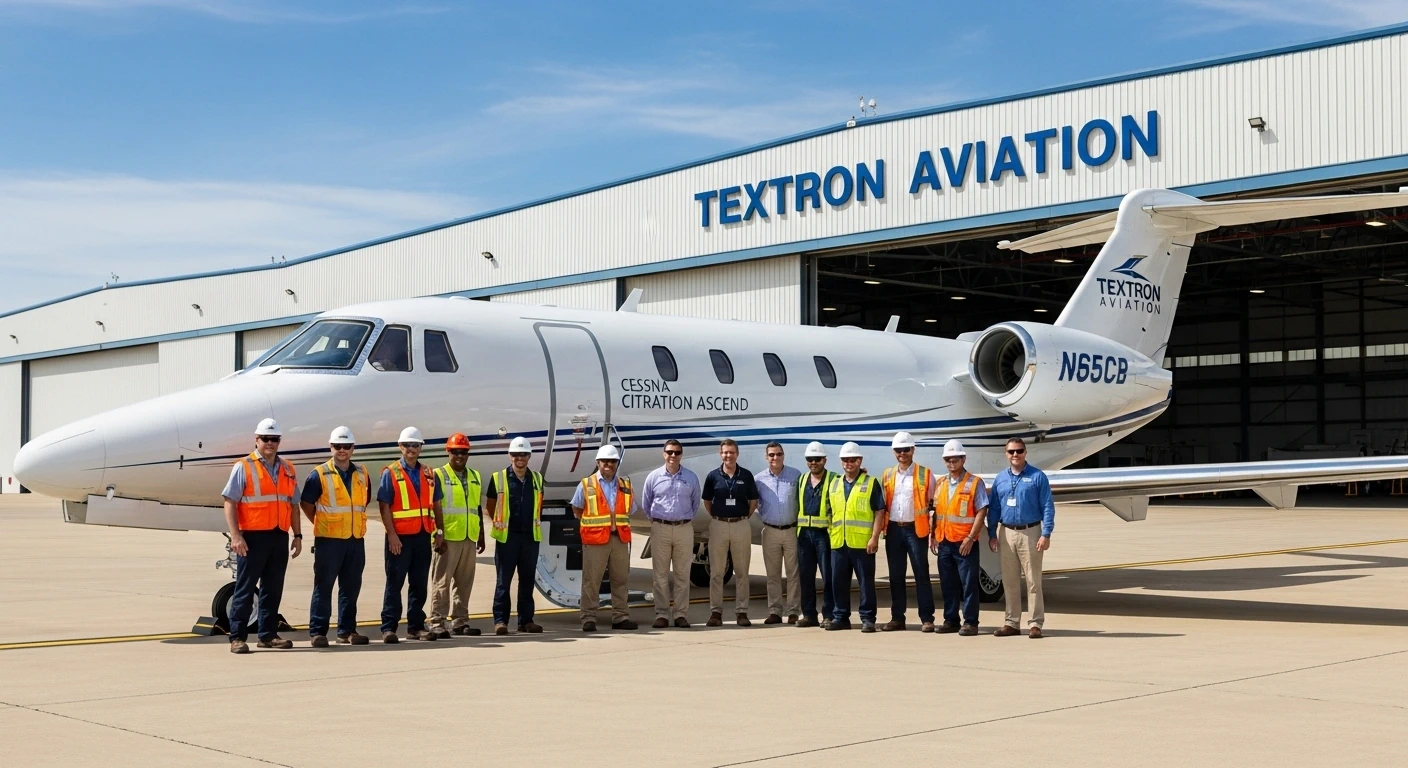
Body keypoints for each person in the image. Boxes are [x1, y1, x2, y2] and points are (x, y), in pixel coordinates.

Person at [221, 418, 301, 654]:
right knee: (245, 588)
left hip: (278, 535)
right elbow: (229, 502)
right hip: (252, 538)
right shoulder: (243, 466)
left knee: (273, 588)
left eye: (274, 439)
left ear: (279, 441)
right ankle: (237, 636)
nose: (270, 443)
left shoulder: (287, 468)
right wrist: (236, 536)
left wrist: (297, 535)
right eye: (265, 439)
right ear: (256, 440)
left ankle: (267, 635)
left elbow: (293, 504)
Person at [299, 426, 370, 648]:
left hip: (355, 539)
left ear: (352, 449)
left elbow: (362, 503)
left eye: (346, 446)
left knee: (351, 588)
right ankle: (318, 631)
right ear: (331, 447)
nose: (342, 450)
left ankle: (347, 631)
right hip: (329, 541)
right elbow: (306, 503)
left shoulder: (362, 474)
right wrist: (322, 523)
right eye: (338, 446)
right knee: (324, 586)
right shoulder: (318, 474)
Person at [378, 426, 445, 644]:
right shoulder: (391, 472)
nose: (411, 449)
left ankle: (415, 626)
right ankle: (389, 627)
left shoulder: (428, 473)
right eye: (407, 445)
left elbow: (436, 505)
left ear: (420, 447)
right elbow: (384, 506)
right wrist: (392, 536)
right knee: (394, 583)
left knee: (419, 583)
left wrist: (439, 532)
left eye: (415, 445)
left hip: (423, 535)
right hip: (400, 538)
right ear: (400, 446)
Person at [987, 436, 1055, 639]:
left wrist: (1046, 533)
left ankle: (1035, 623)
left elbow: (1047, 506)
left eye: (1019, 451)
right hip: (1006, 532)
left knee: (1033, 580)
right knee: (1009, 580)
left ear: (1025, 453)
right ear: (1005, 454)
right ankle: (1012, 622)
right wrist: (992, 533)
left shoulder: (1037, 477)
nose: (1015, 455)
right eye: (1011, 452)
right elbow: (994, 508)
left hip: (1030, 531)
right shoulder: (1000, 479)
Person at [571, 445, 638, 632]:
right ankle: (588, 618)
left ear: (617, 463)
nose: (609, 464)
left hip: (619, 539)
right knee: (592, 581)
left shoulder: (625, 485)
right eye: (605, 461)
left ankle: (620, 617)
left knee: (621, 580)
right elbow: (577, 509)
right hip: (595, 541)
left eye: (612, 461)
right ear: (598, 463)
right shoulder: (586, 484)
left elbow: (631, 509)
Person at [928, 439, 988, 636]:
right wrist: (933, 534)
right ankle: (951, 620)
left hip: (964, 543)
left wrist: (971, 538)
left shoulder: (974, 482)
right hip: (944, 541)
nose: (951, 462)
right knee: (948, 584)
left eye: (955, 458)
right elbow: (936, 511)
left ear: (963, 459)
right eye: (948, 459)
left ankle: (970, 622)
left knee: (968, 584)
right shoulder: (941, 483)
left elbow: (981, 511)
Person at [879, 431, 937, 633]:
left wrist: (934, 532)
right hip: (894, 529)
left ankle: (927, 618)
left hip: (915, 529)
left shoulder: (925, 474)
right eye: (898, 450)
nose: (902, 453)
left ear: (913, 450)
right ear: (894, 452)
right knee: (896, 576)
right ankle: (897, 618)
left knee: (921, 574)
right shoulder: (887, 474)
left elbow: (933, 504)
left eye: (906, 449)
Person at [429, 433, 486, 638]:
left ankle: (460, 621)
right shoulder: (438, 475)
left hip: (468, 536)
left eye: (463, 452)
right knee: (442, 581)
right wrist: (438, 533)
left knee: (464, 582)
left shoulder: (475, 476)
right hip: (448, 536)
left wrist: (480, 534)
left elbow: (476, 507)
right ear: (448, 452)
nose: (460, 456)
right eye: (455, 452)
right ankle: (437, 621)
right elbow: (433, 508)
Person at [486, 436, 545, 635]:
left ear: (529, 457)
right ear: (510, 456)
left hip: (530, 537)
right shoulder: (499, 478)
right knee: (503, 581)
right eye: (516, 455)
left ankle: (526, 621)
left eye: (524, 455)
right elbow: (491, 505)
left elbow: (539, 504)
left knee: (527, 581)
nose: (520, 458)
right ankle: (501, 621)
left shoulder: (537, 478)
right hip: (507, 537)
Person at [826, 441, 886, 633]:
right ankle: (840, 617)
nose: (849, 463)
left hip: (862, 543)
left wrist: (875, 537)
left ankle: (868, 618)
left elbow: (879, 511)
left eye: (852, 460)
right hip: (839, 542)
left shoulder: (870, 483)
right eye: (845, 460)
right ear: (841, 462)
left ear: (859, 460)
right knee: (839, 582)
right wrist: (831, 533)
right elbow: (829, 512)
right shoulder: (834, 483)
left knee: (866, 583)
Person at [641, 439, 701, 629]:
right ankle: (661, 614)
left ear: (681, 454)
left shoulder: (691, 477)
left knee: (683, 574)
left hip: (684, 528)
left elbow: (695, 502)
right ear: (663, 454)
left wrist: (682, 519)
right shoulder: (654, 477)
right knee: (660, 575)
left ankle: (681, 614)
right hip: (661, 528)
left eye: (676, 452)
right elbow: (646, 503)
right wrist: (658, 522)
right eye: (669, 452)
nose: (673, 456)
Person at [702, 438, 759, 626]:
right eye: (725, 452)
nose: (728, 455)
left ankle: (742, 612)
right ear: (721, 454)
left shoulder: (747, 476)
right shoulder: (713, 476)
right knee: (717, 572)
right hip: (718, 525)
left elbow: (753, 502)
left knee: (742, 571)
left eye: (731, 452)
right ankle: (715, 612)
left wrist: (741, 518)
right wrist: (720, 517)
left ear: (737, 454)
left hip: (740, 525)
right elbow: (707, 502)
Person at [755, 441, 802, 625]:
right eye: (772, 455)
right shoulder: (759, 479)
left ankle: (793, 611)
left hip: (791, 530)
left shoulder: (795, 475)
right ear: (766, 457)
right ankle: (774, 610)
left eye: (779, 454)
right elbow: (755, 503)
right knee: (772, 574)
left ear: (783, 456)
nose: (775, 458)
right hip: (770, 531)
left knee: (793, 574)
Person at [795, 441, 837, 628]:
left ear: (824, 460)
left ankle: (828, 614)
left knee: (828, 577)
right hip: (804, 535)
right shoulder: (802, 480)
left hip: (824, 535)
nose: (814, 462)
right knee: (806, 577)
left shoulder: (834, 479)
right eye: (810, 459)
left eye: (817, 459)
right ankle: (809, 615)